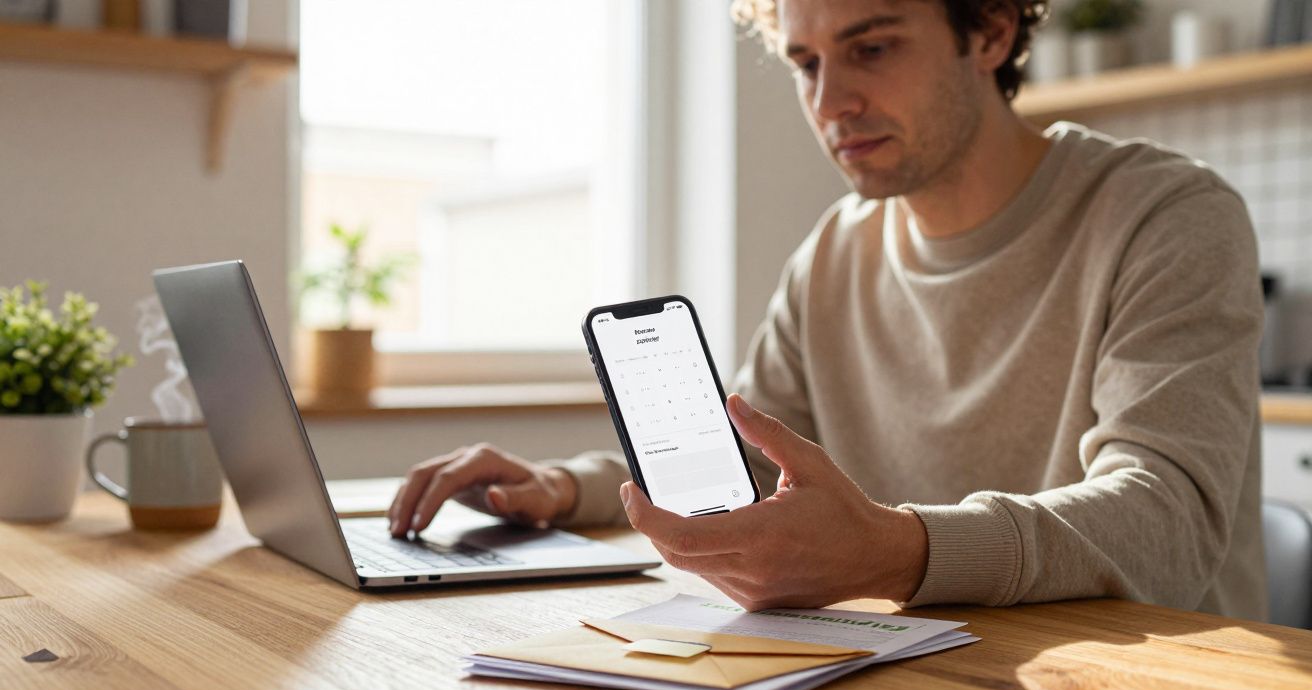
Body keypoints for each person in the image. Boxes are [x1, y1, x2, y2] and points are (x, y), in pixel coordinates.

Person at [388, 0, 1265, 620]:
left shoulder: (1167, 217)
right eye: (807, 62)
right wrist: (560, 488)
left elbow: (1167, 521)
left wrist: (897, 551)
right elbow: (741, 457)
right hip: (933, 670)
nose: (829, 102)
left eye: (872, 47)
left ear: (991, 28)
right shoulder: (837, 250)